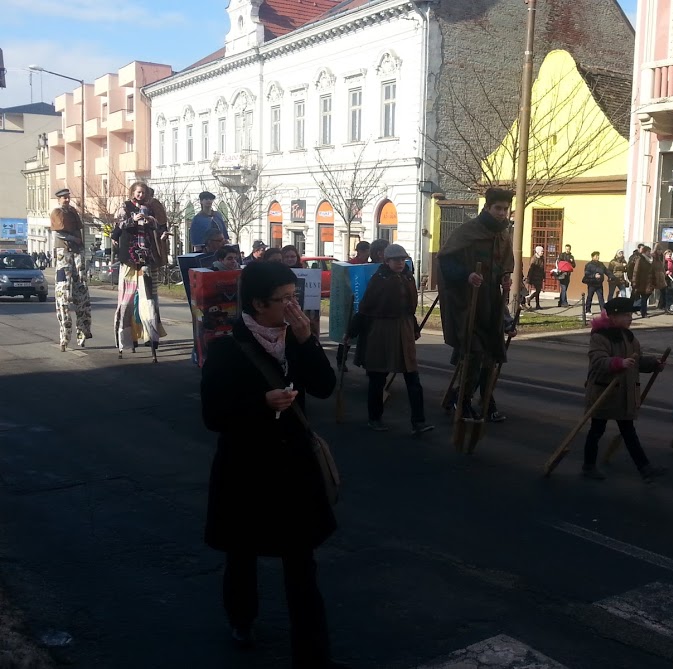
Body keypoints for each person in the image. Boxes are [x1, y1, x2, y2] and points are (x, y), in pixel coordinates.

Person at [200, 261, 347, 669]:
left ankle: (313, 655)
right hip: (245, 471)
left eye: (293, 296)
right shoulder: (227, 349)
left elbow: (324, 387)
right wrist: (260, 404)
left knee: (302, 566)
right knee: (241, 554)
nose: (292, 306)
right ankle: (241, 618)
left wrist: (307, 341)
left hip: (293, 471)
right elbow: (213, 415)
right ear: (258, 304)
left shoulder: (295, 339)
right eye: (283, 299)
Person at [437, 187, 514, 421]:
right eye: (498, 208)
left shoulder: (503, 235)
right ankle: (463, 401)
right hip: (467, 302)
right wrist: (466, 275)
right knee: (474, 353)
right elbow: (446, 262)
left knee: (491, 355)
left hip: (491, 302)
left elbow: (504, 265)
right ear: (487, 207)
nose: (502, 213)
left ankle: (484, 400)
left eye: (505, 209)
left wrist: (505, 277)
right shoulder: (467, 231)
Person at [346, 244, 434, 434]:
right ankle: (374, 418)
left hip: (404, 329)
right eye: (395, 260)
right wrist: (351, 331)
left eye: (402, 259)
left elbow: (409, 309)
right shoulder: (379, 279)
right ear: (387, 261)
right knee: (378, 378)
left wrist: (414, 328)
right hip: (381, 332)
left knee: (413, 378)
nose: (400, 263)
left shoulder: (408, 277)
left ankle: (418, 422)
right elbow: (365, 308)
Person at [582, 297, 668, 482]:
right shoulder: (600, 337)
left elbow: (636, 361)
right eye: (626, 315)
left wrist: (653, 364)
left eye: (631, 314)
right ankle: (588, 466)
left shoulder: (629, 337)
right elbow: (598, 361)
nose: (630, 318)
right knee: (596, 430)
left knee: (629, 432)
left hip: (624, 395)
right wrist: (618, 363)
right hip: (604, 393)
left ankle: (645, 468)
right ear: (613, 317)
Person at [111, 181, 169, 360]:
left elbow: (160, 227)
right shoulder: (125, 207)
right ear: (132, 193)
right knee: (125, 301)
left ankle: (152, 337)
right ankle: (124, 341)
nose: (140, 195)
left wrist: (155, 226)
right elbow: (118, 227)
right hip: (129, 259)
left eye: (143, 192)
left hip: (146, 259)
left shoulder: (151, 209)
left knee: (149, 300)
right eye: (138, 192)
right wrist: (132, 220)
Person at [49, 187, 92, 351]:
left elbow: (79, 230)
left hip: (77, 252)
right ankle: (64, 336)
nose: (67, 200)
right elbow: (59, 233)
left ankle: (83, 331)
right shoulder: (57, 212)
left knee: (82, 290)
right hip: (64, 254)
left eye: (68, 197)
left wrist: (79, 244)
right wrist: (73, 238)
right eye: (64, 198)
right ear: (59, 199)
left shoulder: (73, 212)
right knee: (63, 294)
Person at [630, 245, 655, 318]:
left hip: (648, 282)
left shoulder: (650, 260)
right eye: (648, 251)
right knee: (641, 298)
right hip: (641, 282)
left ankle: (643, 312)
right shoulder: (640, 259)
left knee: (645, 297)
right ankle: (633, 310)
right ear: (644, 252)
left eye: (650, 251)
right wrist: (634, 282)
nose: (649, 253)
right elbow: (636, 271)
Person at [582, 251, 607, 315]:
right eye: (596, 256)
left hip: (599, 284)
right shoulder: (589, 265)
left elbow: (606, 271)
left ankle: (603, 311)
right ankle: (587, 310)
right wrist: (594, 276)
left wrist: (612, 277)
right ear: (593, 257)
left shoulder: (601, 264)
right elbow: (587, 274)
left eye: (598, 255)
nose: (598, 257)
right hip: (592, 284)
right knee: (590, 297)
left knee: (601, 298)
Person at [525, 246, 545, 310]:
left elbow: (542, 268)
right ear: (538, 251)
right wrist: (529, 278)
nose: (542, 252)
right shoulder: (534, 259)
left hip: (540, 276)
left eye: (543, 251)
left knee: (538, 291)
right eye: (541, 251)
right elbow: (531, 269)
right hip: (534, 277)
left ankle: (537, 305)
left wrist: (544, 276)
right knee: (538, 290)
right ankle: (529, 298)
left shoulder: (542, 258)